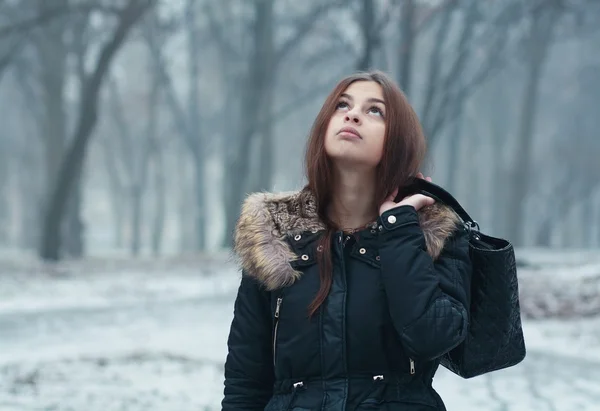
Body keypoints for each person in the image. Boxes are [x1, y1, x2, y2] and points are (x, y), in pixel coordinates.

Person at [221, 71, 472, 411]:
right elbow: (245, 380)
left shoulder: (432, 233)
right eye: (343, 105)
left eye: (375, 111)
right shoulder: (272, 235)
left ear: (398, 140)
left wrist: (399, 230)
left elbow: (432, 337)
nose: (353, 114)